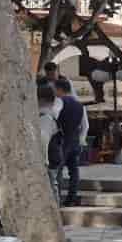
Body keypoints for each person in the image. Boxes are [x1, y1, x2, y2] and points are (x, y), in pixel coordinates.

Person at [52, 77, 87, 205]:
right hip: (75, 140)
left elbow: (53, 117)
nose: (54, 92)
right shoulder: (79, 105)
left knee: (58, 171)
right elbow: (84, 125)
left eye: (55, 89)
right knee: (74, 171)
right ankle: (72, 197)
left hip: (62, 141)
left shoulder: (59, 102)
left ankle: (57, 198)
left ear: (60, 89)